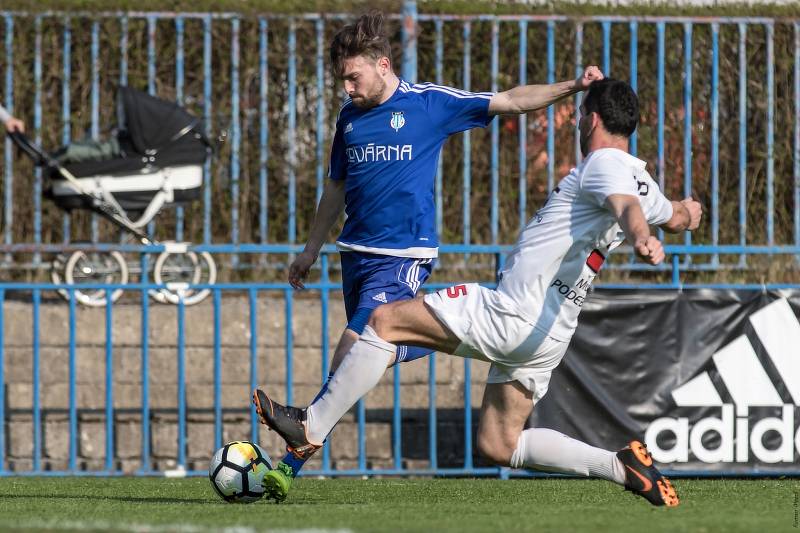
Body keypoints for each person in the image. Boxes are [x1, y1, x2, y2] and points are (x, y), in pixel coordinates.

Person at [254, 78, 703, 507]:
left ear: (591, 120)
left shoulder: (602, 164)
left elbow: (626, 209)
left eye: (580, 117)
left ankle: (311, 426)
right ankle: (621, 466)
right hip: (550, 335)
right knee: (499, 442)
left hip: (513, 312)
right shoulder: (640, 179)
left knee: (384, 321)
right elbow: (669, 213)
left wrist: (641, 235)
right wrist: (688, 212)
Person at [264, 10, 605, 501]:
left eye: (352, 76)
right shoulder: (349, 117)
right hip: (355, 256)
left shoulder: (430, 104)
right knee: (363, 354)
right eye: (341, 79)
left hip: (402, 256)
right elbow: (336, 187)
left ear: (383, 65)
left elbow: (508, 100)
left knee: (356, 342)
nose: (347, 87)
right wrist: (309, 250)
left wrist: (572, 86)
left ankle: (299, 443)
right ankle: (438, 339)